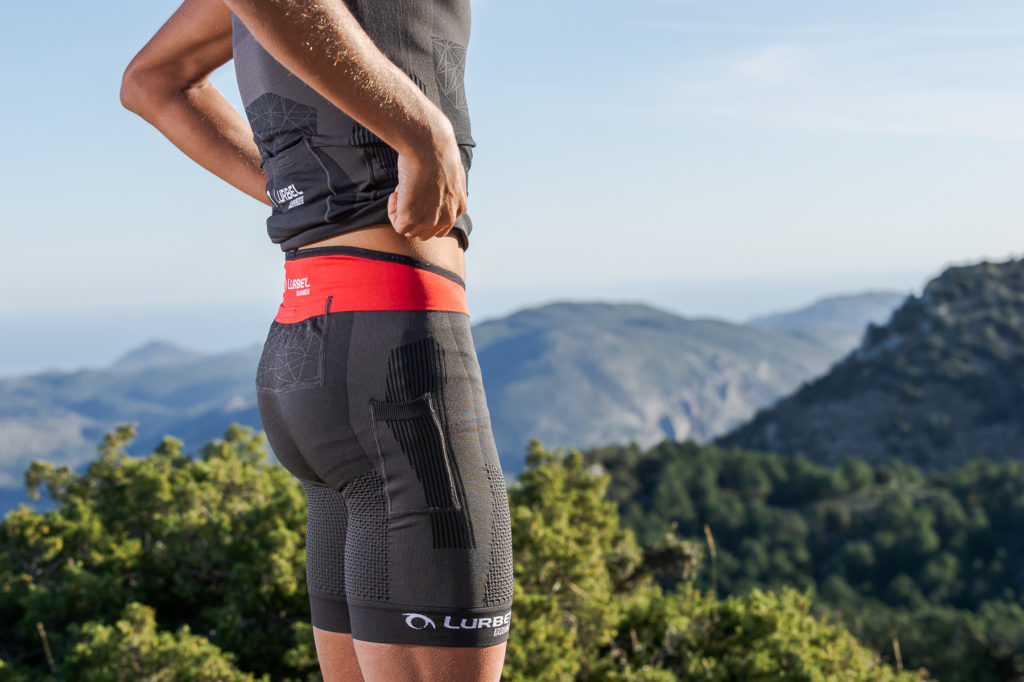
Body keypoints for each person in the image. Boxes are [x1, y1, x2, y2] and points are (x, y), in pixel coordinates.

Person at [120, 1, 513, 680]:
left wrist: (304, 197)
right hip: (399, 359)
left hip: (316, 345)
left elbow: (153, 80)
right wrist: (423, 134)